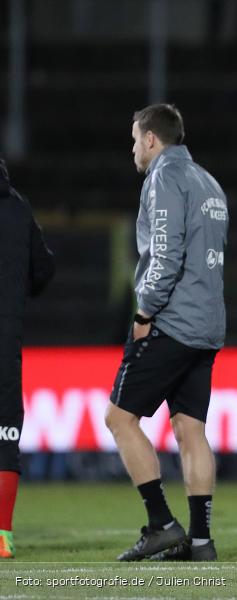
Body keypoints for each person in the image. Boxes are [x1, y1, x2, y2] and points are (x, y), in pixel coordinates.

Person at [105, 104, 228, 562]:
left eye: (136, 139)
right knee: (189, 429)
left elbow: (165, 252)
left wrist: (143, 313)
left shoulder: (163, 178)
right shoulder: (208, 181)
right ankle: (200, 541)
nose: (134, 148)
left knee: (119, 419)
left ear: (152, 139)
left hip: (172, 322)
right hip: (208, 324)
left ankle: (161, 524)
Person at [0, 159, 55, 559]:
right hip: (6, 342)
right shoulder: (19, 207)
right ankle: (1, 537)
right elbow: (44, 269)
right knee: (4, 441)